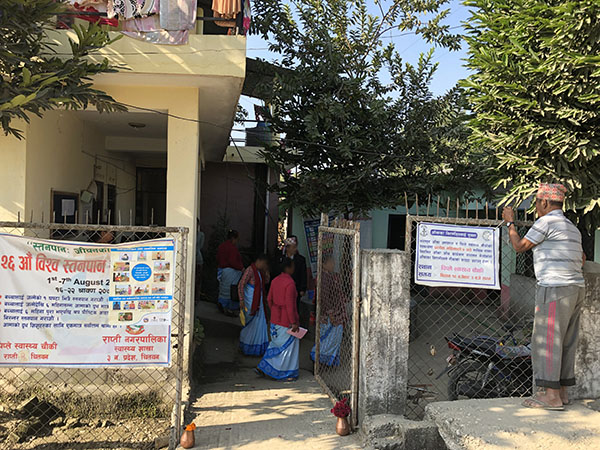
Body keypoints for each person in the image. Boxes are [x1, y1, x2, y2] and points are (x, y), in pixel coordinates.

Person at [502, 183, 586, 410]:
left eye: (537, 203)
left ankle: (550, 397)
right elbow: (583, 258)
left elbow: (519, 246)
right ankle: (563, 392)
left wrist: (511, 222)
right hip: (576, 288)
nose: (536, 208)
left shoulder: (546, 222)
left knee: (547, 340)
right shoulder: (570, 227)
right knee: (567, 341)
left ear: (545, 203)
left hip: (555, 287)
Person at [257, 257, 300, 381]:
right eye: (292, 265)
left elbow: (269, 299)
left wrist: (274, 310)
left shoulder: (275, 280)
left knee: (275, 344)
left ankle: (265, 366)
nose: (294, 268)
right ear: (288, 268)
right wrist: (293, 322)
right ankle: (283, 372)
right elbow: (290, 305)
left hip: (275, 318)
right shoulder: (290, 284)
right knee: (286, 348)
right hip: (286, 320)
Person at [310, 256, 348, 366]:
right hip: (330, 314)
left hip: (332, 312)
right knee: (330, 338)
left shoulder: (328, 276)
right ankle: (317, 357)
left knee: (331, 338)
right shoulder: (324, 278)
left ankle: (324, 360)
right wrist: (330, 313)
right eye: (331, 263)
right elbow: (324, 296)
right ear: (324, 264)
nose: (333, 265)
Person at [238, 254, 271, 356]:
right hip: (251, 303)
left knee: (259, 324)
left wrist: (266, 272)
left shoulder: (259, 272)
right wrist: (242, 300)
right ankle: (248, 348)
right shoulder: (250, 270)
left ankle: (257, 349)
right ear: (260, 261)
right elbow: (241, 285)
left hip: (258, 303)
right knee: (250, 325)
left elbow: (265, 282)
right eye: (264, 264)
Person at [216, 229, 244, 316]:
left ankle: (222, 303)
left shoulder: (222, 246)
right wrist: (241, 268)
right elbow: (233, 261)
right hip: (230, 272)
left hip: (221, 270)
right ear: (233, 238)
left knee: (223, 289)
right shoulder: (232, 248)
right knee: (231, 291)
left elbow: (217, 257)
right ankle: (229, 307)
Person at [279, 236, 307, 312]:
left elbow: (303, 274)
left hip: (295, 288)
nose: (295, 249)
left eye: (295, 247)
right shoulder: (280, 259)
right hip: (282, 289)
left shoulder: (301, 260)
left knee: (294, 308)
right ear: (287, 248)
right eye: (293, 247)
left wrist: (302, 288)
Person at [195, 219, 205, 302]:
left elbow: (200, 247)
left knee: (197, 281)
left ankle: (196, 299)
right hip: (197, 258)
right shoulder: (200, 235)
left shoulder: (200, 235)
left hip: (198, 259)